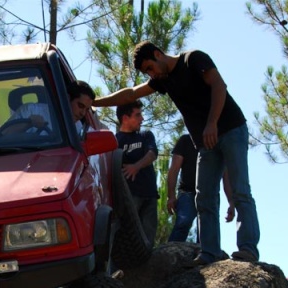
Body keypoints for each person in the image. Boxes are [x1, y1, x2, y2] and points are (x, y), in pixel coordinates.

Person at [93, 41, 260, 265]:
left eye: (150, 67)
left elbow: (219, 86)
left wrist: (212, 123)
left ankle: (247, 249)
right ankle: (209, 252)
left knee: (240, 191)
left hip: (231, 129)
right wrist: (94, 102)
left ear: (157, 54)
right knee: (204, 197)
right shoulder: (163, 81)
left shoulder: (193, 59)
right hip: (205, 143)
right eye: (146, 72)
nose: (151, 74)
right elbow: (130, 94)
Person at [166, 133, 234, 242]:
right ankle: (170, 255)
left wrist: (231, 202)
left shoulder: (220, 143)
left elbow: (226, 178)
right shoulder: (186, 140)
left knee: (207, 232)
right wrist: (171, 196)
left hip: (210, 195)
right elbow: (174, 169)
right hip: (187, 192)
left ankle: (206, 256)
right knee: (183, 223)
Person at [115, 100, 158, 246]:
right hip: (129, 198)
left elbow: (152, 154)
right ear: (125, 118)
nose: (142, 119)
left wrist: (136, 166)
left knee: (148, 240)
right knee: (126, 239)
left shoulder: (145, 135)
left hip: (149, 194)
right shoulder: (115, 141)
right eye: (138, 115)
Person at [3, 80, 95, 138]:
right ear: (67, 98)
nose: (83, 113)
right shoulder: (30, 110)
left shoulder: (78, 128)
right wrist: (28, 124)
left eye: (87, 109)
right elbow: (2, 136)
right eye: (80, 106)